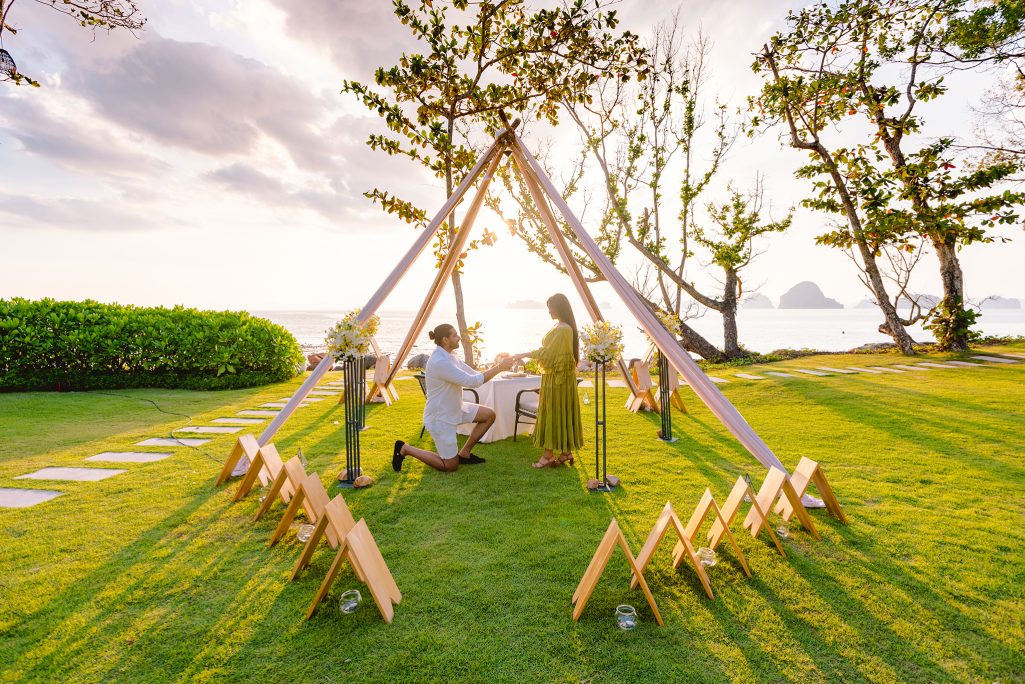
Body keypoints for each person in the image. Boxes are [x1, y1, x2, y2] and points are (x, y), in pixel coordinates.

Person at [392, 323, 514, 473]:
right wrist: (499, 367)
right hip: (440, 417)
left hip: (456, 408)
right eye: (455, 335)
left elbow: (473, 374)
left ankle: (465, 454)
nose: (458, 338)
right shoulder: (440, 362)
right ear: (445, 340)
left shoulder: (451, 356)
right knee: (450, 466)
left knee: (489, 415)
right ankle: (405, 448)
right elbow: (472, 382)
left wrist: (497, 367)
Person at [518, 293, 583, 468]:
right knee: (561, 413)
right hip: (558, 378)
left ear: (559, 308)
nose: (549, 311)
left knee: (553, 414)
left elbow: (549, 355)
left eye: (551, 307)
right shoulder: (563, 327)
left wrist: (524, 354)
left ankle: (547, 456)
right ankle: (565, 452)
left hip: (557, 380)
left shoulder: (563, 329)